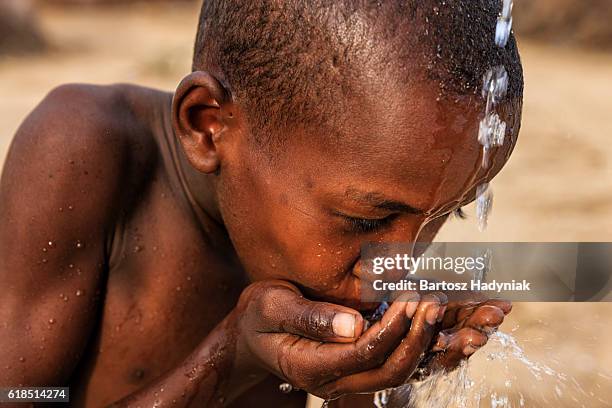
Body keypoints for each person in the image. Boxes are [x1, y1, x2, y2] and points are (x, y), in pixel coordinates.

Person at [0, 0, 522, 406]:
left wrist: (380, 373)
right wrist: (234, 358)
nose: (394, 266)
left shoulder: (349, 226)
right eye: (368, 219)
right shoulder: (86, 152)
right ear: (208, 126)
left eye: (443, 215)